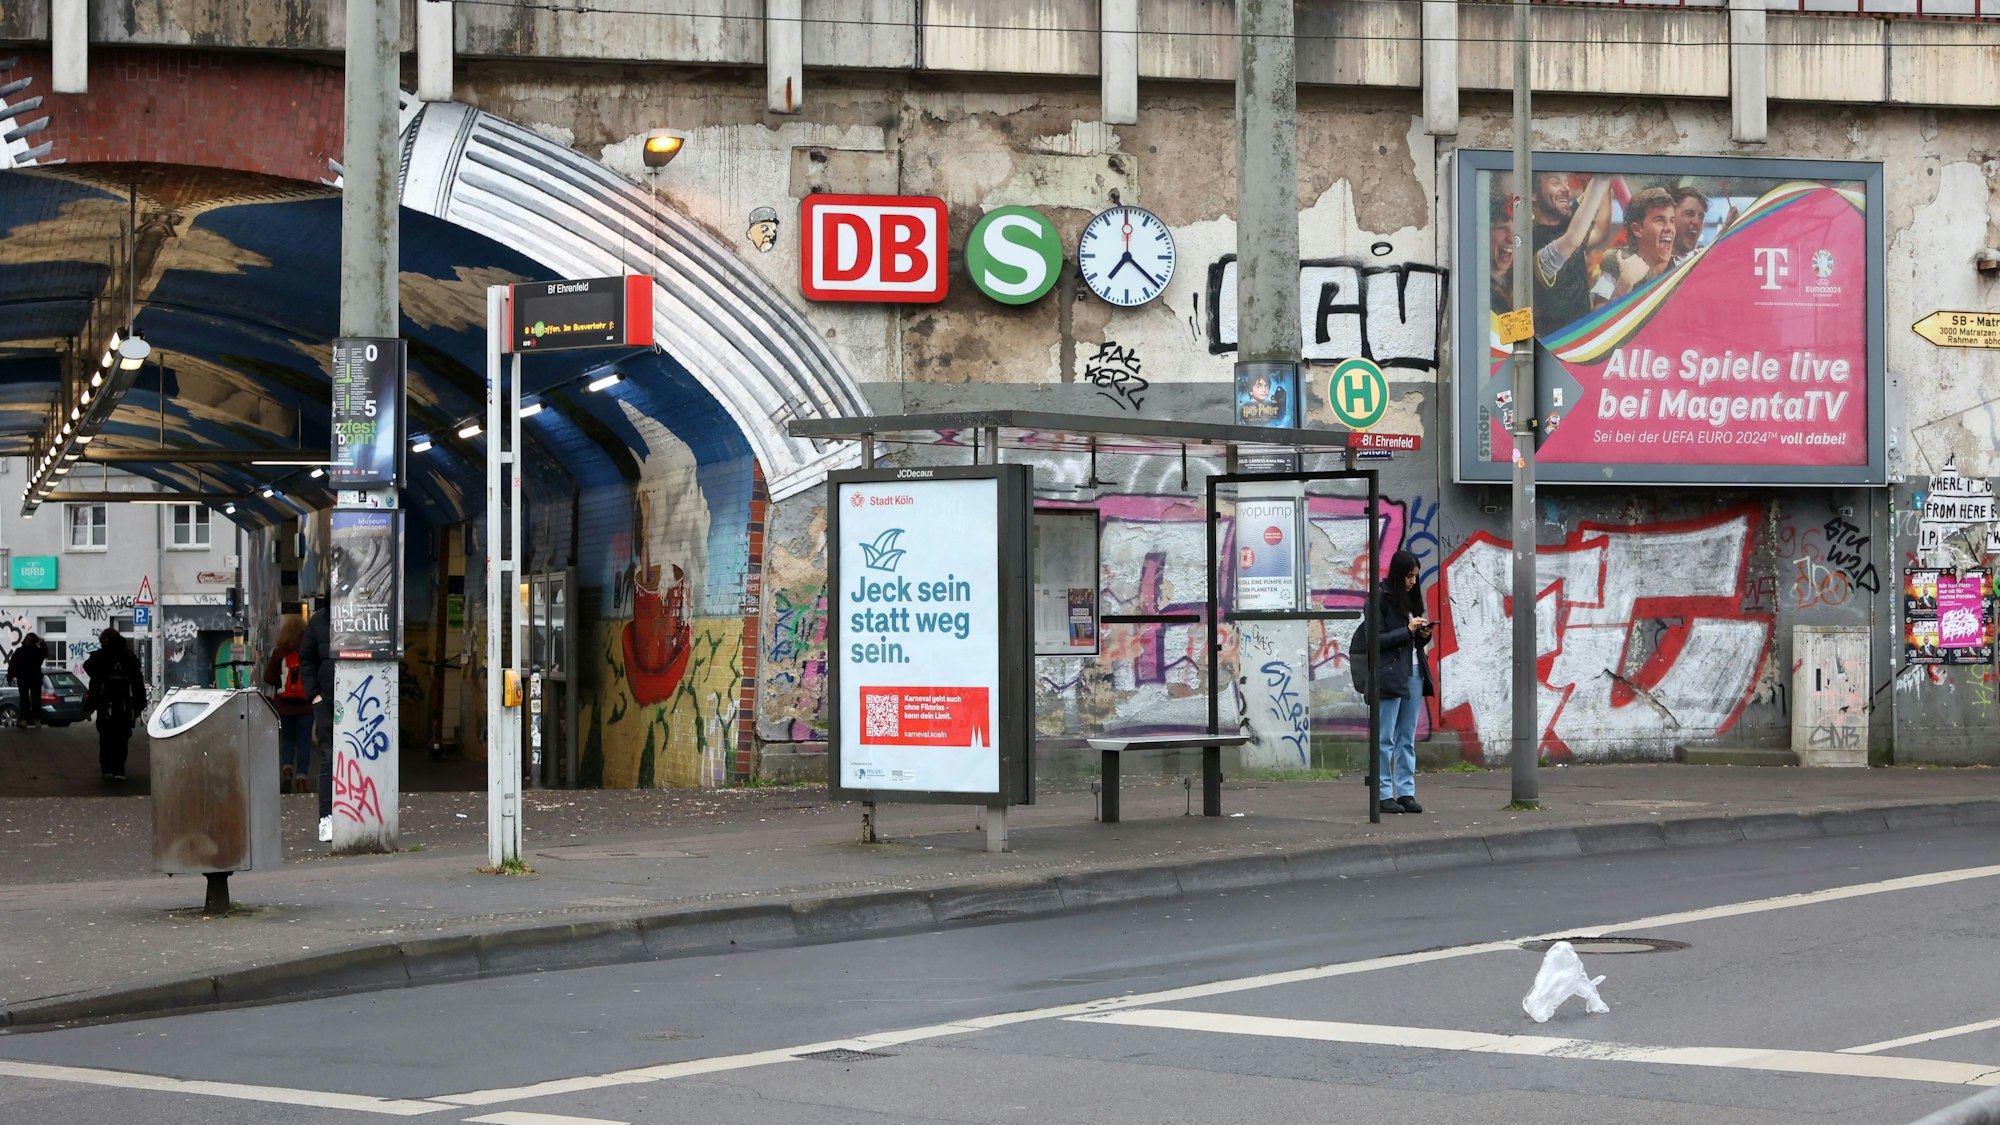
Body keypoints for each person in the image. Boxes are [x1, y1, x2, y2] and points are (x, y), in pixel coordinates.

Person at [1370, 550, 1436, 816]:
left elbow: (1411, 642)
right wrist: (1407, 631)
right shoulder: (1380, 600)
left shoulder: (1412, 599)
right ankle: (1384, 794)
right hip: (1390, 674)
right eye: (1409, 576)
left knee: (1406, 737)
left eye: (1416, 577)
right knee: (1385, 736)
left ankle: (1406, 792)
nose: (1412, 581)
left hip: (1414, 671)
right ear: (1398, 574)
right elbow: (1376, 640)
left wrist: (1422, 635)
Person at [1528, 172, 1614, 330]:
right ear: (1533, 195)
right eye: (1555, 183)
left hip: (1582, 342)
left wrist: (1603, 183)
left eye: (1566, 182)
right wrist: (1602, 177)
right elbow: (1572, 240)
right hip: (1553, 345)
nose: (1566, 189)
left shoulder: (1566, 223)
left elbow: (1600, 231)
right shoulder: (1533, 240)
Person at [1591, 186, 1678, 310]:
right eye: (1660, 220)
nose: (1669, 228)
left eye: (1672, 221)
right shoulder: (1616, 266)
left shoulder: (1684, 266)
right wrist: (1625, 283)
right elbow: (1599, 326)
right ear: (1638, 229)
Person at [83, 629, 146, 782]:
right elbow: (138, 684)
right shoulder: (129, 657)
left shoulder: (100, 657)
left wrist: (89, 707)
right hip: (124, 703)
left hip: (106, 703)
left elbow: (94, 684)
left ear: (104, 641)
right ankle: (119, 769)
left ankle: (107, 768)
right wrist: (138, 706)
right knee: (122, 737)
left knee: (106, 736)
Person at [262, 614, 313, 795]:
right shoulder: (308, 651)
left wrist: (281, 683)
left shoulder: (279, 652)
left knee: (288, 741)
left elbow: (268, 677)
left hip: (283, 706)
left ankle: (287, 772)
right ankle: (301, 780)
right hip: (306, 706)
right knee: (304, 742)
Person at [299, 596, 336, 843]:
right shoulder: (319, 621)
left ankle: (339, 816)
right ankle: (327, 818)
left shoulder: (319, 620)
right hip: (328, 699)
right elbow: (307, 660)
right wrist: (315, 696)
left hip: (345, 696)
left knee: (336, 757)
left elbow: (307, 660)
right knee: (329, 757)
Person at [7, 632, 49, 729]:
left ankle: (37, 719)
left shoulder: (38, 652)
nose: (28, 641)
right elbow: (12, 665)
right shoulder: (19, 651)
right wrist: (10, 677)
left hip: (35, 678)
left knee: (36, 699)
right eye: (27, 639)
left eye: (30, 639)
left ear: (34, 641)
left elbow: (45, 653)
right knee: (24, 700)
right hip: (23, 678)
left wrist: (41, 642)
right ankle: (24, 719)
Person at [1670, 186, 1709, 264]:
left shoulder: (1701, 264)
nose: (1697, 222)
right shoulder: (1649, 267)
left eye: (1701, 216)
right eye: (1689, 214)